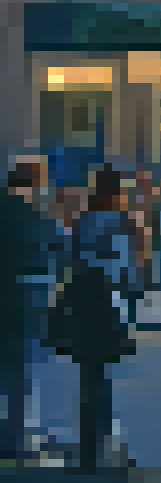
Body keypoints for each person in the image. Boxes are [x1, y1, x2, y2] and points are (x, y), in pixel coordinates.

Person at [56, 165, 141, 474]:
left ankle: (89, 448)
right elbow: (130, 271)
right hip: (112, 302)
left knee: (89, 376)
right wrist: (133, 304)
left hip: (84, 302)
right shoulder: (125, 222)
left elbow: (72, 263)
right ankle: (106, 442)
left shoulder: (83, 221)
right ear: (118, 192)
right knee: (105, 377)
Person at [1, 159, 64, 467]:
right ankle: (14, 440)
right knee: (20, 374)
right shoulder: (34, 217)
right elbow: (61, 249)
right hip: (23, 304)